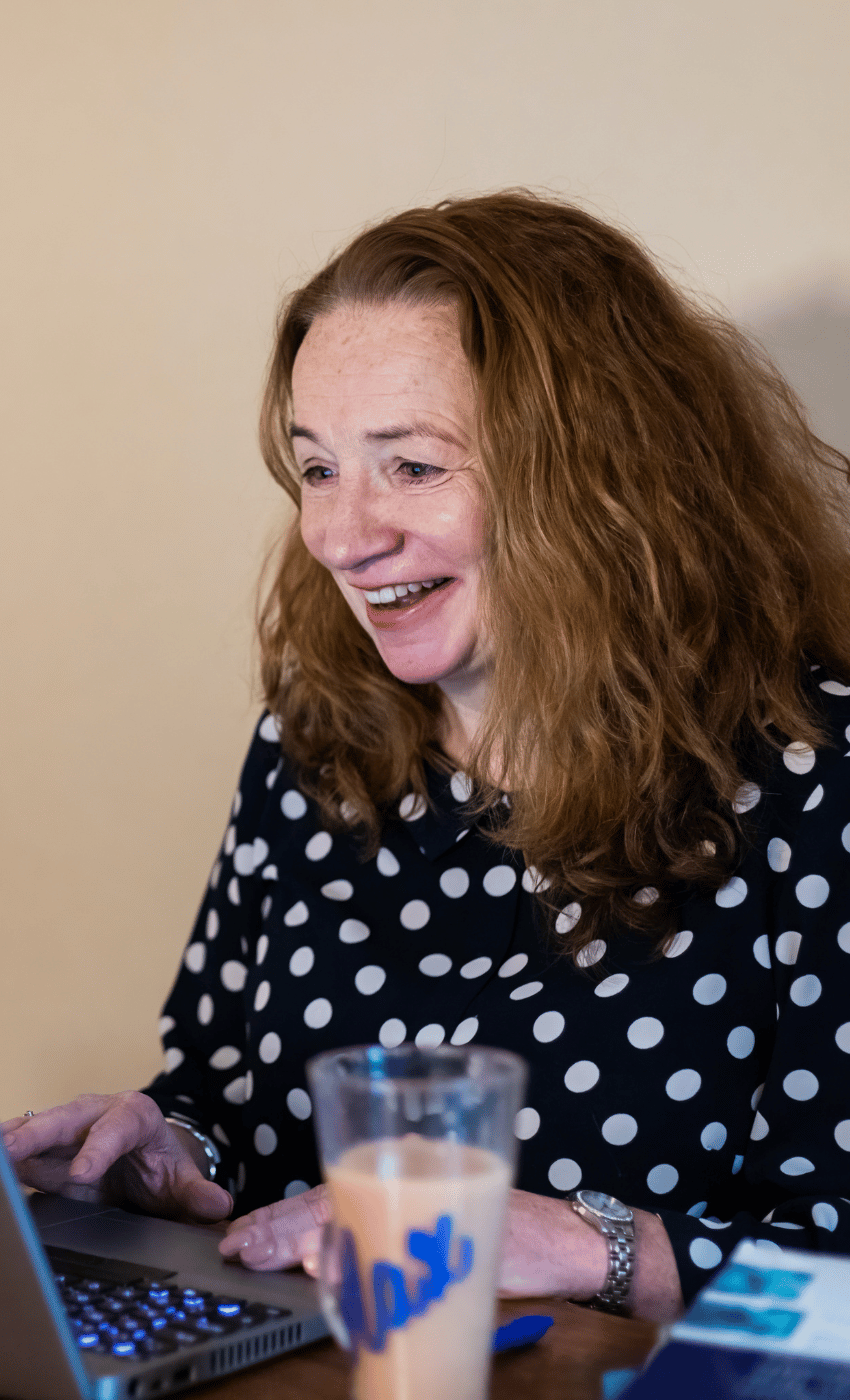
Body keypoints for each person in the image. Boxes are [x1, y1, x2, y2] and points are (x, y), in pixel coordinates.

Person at [5, 191, 850, 1324]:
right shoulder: (312, 745)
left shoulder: (815, 783)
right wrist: (168, 1150)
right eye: (316, 467)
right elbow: (218, 1082)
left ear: (599, 482)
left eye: (410, 467)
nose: (342, 536)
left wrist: (582, 1244)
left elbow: (833, 1278)